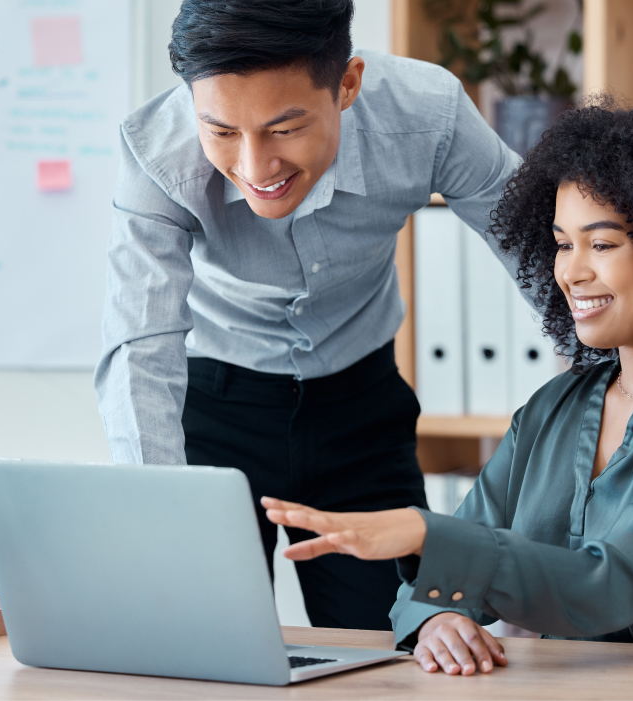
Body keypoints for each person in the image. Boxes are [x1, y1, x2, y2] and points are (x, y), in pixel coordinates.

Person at [262, 95, 633, 669]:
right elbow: (424, 592)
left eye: (602, 244)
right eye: (562, 243)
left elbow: (613, 584)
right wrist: (440, 619)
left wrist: (426, 537)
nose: (570, 272)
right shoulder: (556, 407)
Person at [93, 0, 522, 630]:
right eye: (221, 132)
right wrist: (162, 513)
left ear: (346, 84)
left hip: (361, 410)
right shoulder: (155, 153)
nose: (253, 166)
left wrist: (620, 387)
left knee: (391, 646)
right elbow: (140, 343)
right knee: (204, 644)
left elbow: (540, 247)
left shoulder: (428, 114)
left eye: (284, 128)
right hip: (214, 415)